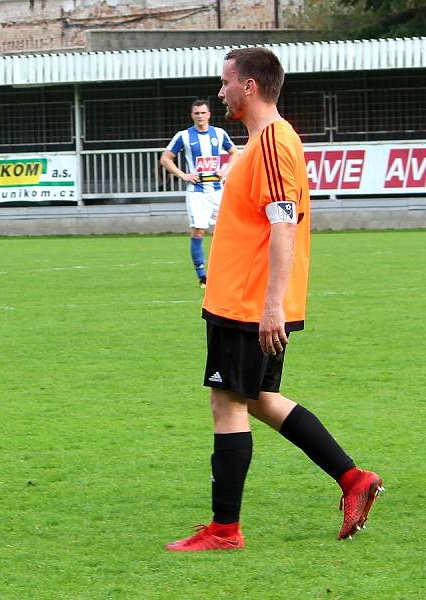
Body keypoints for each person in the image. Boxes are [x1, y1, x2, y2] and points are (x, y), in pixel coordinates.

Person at [165, 48, 383, 551]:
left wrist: (271, 307)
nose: (219, 92)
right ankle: (353, 479)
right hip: (243, 297)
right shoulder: (261, 142)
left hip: (247, 302)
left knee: (227, 402)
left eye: (225, 82)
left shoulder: (271, 144)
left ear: (250, 87)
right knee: (257, 399)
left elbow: (284, 225)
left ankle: (225, 530)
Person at [160, 100, 238, 288]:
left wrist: (226, 170)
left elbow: (235, 152)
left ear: (209, 114)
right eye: (197, 113)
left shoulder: (219, 134)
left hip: (218, 190)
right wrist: (183, 175)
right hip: (197, 192)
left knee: (227, 231)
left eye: (203, 113)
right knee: (198, 231)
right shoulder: (184, 136)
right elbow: (165, 158)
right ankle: (203, 276)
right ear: (192, 115)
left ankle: (227, 271)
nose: (200, 116)